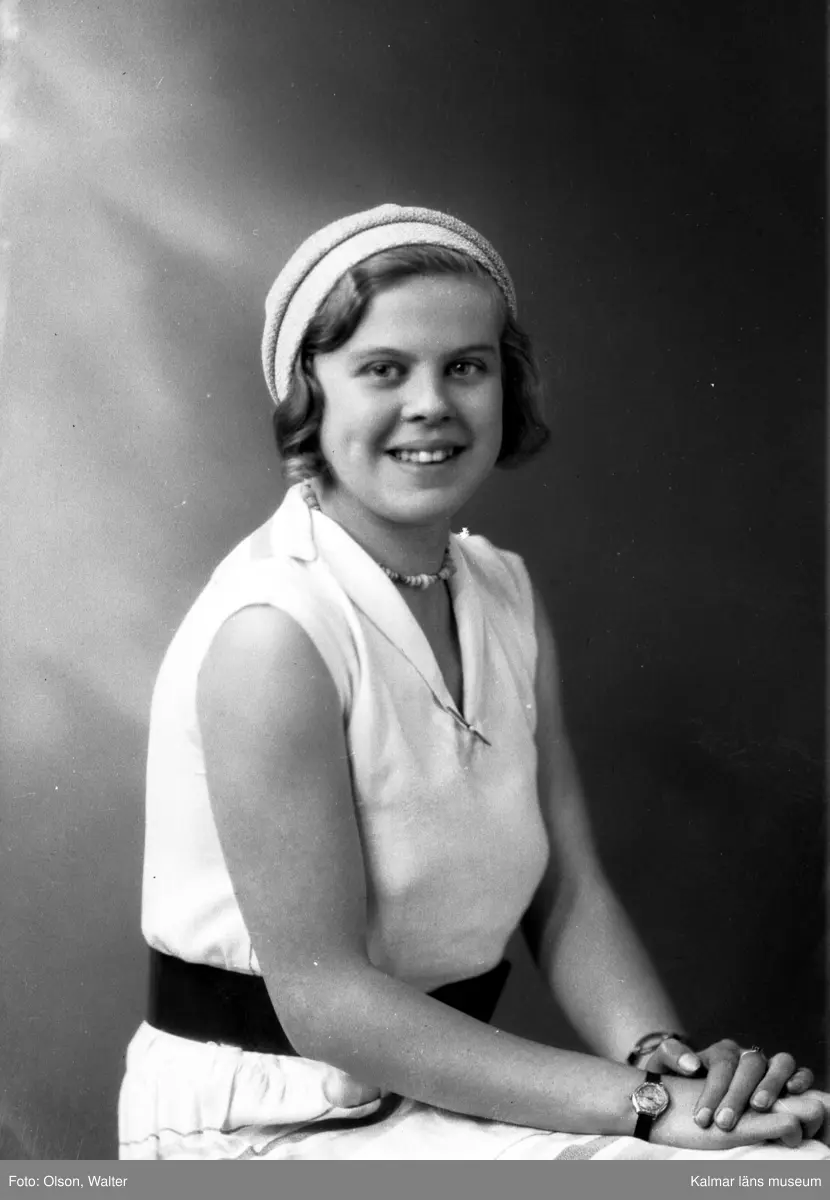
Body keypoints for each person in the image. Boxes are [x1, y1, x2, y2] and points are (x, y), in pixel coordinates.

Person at [118, 204, 829, 1160]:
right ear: (307, 393)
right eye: (383, 369)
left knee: (783, 1165)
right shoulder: (273, 631)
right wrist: (644, 1109)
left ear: (507, 382)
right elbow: (327, 1003)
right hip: (267, 1122)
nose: (432, 405)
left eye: (466, 366)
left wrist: (669, 1067)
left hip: (436, 1099)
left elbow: (568, 888)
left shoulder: (501, 588)